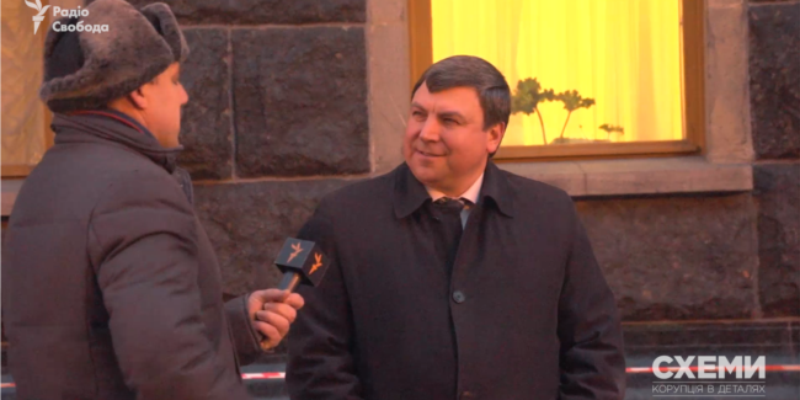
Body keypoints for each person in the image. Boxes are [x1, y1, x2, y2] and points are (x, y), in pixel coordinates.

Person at [0, 1, 303, 399]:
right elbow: (169, 369)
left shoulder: (44, 182)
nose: (184, 96)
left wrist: (231, 327)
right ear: (140, 89)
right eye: (174, 80)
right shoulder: (133, 189)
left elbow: (90, 344)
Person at [287, 55, 626, 399]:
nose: (426, 133)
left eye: (448, 120)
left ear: (493, 135)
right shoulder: (342, 219)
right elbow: (316, 361)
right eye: (418, 114)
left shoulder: (550, 216)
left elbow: (595, 345)